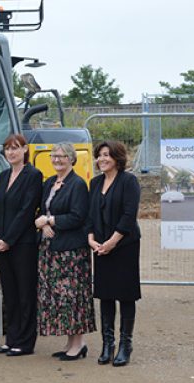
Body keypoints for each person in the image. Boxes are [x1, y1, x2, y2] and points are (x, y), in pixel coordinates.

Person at [34, 143, 95, 361]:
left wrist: (51, 220)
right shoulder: (50, 182)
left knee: (72, 297)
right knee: (59, 298)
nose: (57, 160)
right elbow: (43, 211)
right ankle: (71, 342)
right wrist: (44, 223)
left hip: (71, 252)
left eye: (61, 156)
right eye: (53, 156)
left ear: (71, 158)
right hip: (52, 250)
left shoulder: (77, 184)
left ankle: (78, 344)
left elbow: (78, 216)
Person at [86, 140, 141, 367]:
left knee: (126, 295)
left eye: (107, 155)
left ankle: (124, 345)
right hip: (100, 247)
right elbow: (90, 214)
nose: (102, 159)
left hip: (124, 246)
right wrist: (91, 239)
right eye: (99, 155)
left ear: (117, 157)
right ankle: (107, 344)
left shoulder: (129, 181)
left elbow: (129, 215)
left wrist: (112, 242)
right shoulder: (95, 182)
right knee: (106, 295)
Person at [0, 134, 42, 357]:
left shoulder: (33, 175)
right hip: (1, 245)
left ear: (25, 150)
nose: (11, 152)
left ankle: (25, 342)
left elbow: (27, 211)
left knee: (25, 293)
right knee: (9, 294)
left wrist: (8, 240)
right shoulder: (2, 176)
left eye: (16, 148)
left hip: (22, 245)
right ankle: (11, 339)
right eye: (8, 149)